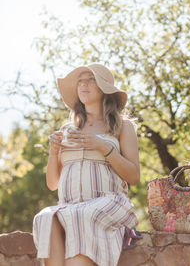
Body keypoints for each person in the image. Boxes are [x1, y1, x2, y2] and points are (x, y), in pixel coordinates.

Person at [32, 63, 140, 266]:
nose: (84, 85)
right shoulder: (68, 129)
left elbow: (134, 176)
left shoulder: (123, 127)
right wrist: (53, 152)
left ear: (104, 88)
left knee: (81, 216)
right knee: (44, 217)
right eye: (80, 81)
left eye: (90, 80)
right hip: (70, 206)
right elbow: (53, 183)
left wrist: (101, 146)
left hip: (110, 202)